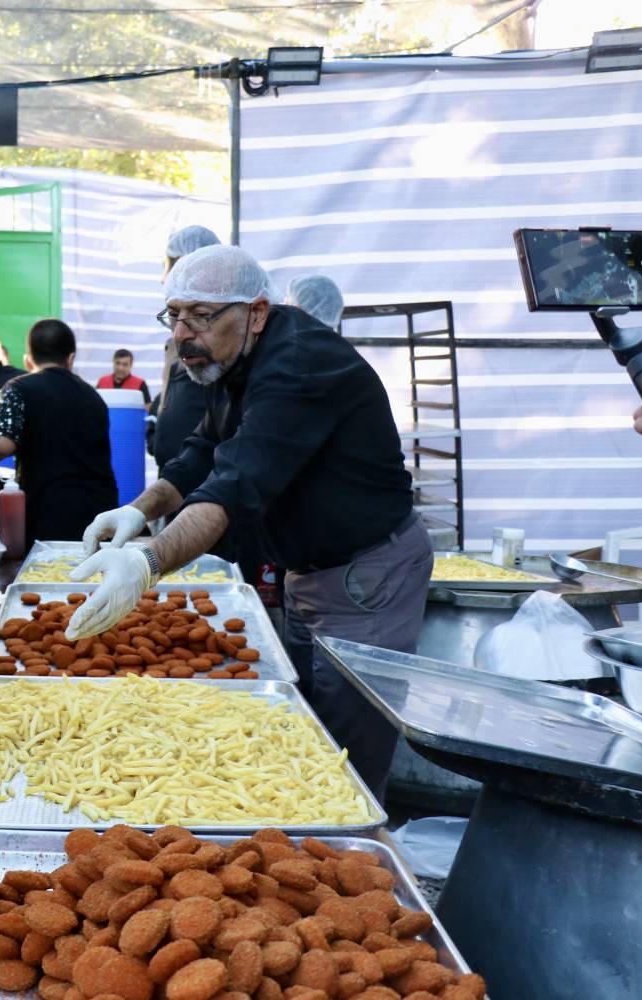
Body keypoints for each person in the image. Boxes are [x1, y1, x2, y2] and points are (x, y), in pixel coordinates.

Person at [72, 245, 428, 798]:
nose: (183, 334)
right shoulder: (232, 360)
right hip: (308, 571)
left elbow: (234, 485)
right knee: (308, 720)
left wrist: (149, 560)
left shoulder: (298, 366)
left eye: (202, 316)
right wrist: (138, 510)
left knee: (344, 756)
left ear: (256, 312)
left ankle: (351, 858)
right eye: (174, 316)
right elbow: (204, 451)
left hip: (366, 577)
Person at [0, 319, 118, 544]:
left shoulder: (18, 388)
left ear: (29, 362)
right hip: (100, 517)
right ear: (70, 359)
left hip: (47, 515)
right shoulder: (94, 397)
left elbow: (0, 443)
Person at [149, 226, 221, 470]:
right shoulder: (174, 343)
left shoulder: (220, 340)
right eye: (172, 317)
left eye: (167, 267)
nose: (162, 279)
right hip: (174, 480)